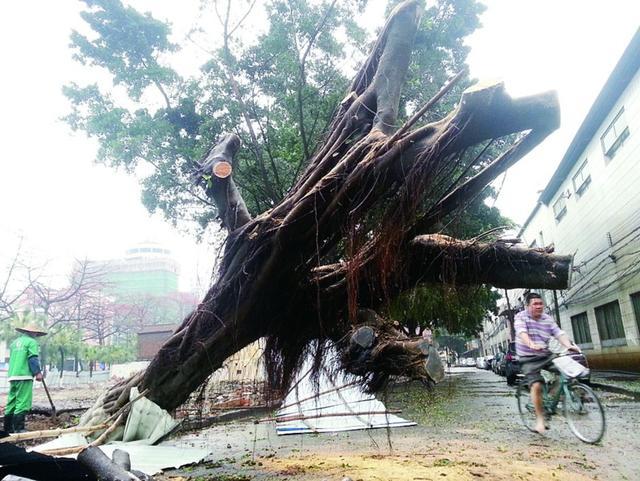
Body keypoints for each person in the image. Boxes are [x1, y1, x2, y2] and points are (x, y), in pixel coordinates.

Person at [514, 292, 580, 434]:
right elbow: (521, 332)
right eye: (535, 304)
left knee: (567, 373)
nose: (539, 306)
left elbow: (558, 333)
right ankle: (540, 419)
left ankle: (550, 399)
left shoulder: (547, 319)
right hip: (528, 357)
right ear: (527, 306)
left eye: (540, 303)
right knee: (537, 385)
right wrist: (530, 343)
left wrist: (568, 345)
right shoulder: (520, 317)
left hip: (545, 355)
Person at [3, 324, 47, 433]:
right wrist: (37, 373)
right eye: (36, 333)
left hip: (13, 375)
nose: (36, 335)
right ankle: (19, 429)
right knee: (23, 401)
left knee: (12, 401)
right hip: (24, 375)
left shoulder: (14, 343)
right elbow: (32, 358)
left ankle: (8, 428)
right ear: (32, 332)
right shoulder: (32, 342)